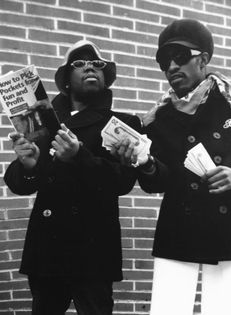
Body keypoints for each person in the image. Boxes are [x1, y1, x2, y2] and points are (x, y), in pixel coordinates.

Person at [4, 40, 141, 315]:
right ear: (66, 80)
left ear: (105, 78)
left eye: (97, 64)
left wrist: (79, 156)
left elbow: (123, 182)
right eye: (79, 63)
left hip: (94, 251)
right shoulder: (43, 122)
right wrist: (28, 165)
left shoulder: (124, 123)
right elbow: (18, 184)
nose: (90, 66)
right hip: (47, 249)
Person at [112, 19, 231, 315]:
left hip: (230, 226)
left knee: (225, 308)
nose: (171, 66)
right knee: (169, 309)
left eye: (180, 57)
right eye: (164, 60)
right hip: (179, 227)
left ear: (203, 59)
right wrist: (145, 162)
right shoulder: (158, 118)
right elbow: (157, 183)